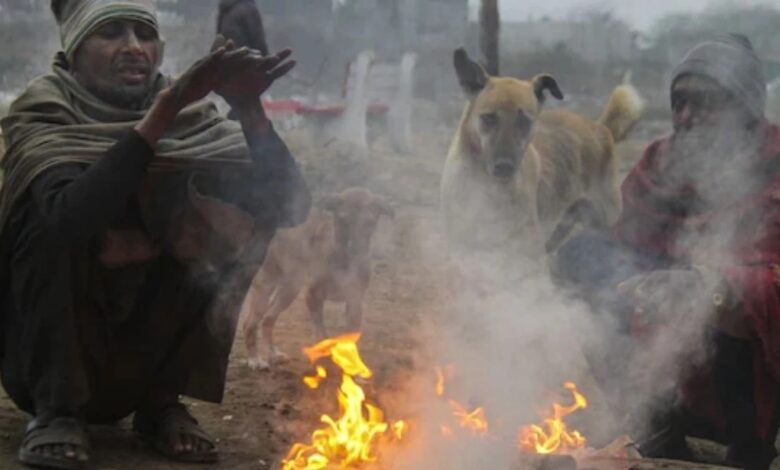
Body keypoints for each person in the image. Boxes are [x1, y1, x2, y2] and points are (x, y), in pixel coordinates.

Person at [0, 0, 310, 468]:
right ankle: (57, 412)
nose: (133, 48)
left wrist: (249, 109)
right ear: (74, 50)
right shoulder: (44, 109)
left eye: (144, 35)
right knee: (41, 220)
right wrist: (164, 112)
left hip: (141, 354)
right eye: (112, 34)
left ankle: (162, 403)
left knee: (232, 216)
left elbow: (287, 207)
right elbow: (67, 220)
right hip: (47, 360)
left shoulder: (191, 120)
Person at [554, 35, 780, 469]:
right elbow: (627, 251)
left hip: (752, 366)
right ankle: (658, 426)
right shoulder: (661, 162)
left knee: (727, 296)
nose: (687, 116)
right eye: (680, 102)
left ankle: (749, 448)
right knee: (585, 258)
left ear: (744, 110)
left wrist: (708, 286)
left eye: (705, 103)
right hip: (670, 352)